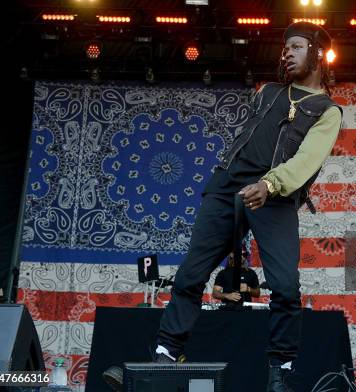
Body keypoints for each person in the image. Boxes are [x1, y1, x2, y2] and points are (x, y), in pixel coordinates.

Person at [103, 21, 342, 392]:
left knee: (285, 286)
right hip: (227, 189)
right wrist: (229, 176)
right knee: (190, 275)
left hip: (273, 198)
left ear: (318, 53)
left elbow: (307, 160)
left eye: (297, 46)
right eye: (286, 48)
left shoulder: (328, 110)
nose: (287, 53)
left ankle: (281, 370)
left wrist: (269, 183)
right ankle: (165, 356)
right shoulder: (267, 93)